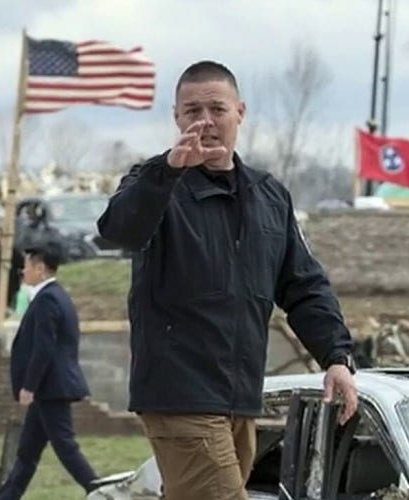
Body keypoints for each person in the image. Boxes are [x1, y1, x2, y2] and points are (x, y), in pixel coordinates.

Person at [96, 60, 358, 500]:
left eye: (217, 109)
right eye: (192, 111)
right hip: (179, 394)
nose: (205, 121)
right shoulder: (154, 183)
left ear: (240, 112)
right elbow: (117, 230)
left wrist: (336, 355)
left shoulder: (269, 196)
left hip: (239, 398)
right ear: (176, 118)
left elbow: (304, 285)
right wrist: (168, 170)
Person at [0, 242, 98, 500]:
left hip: (51, 387)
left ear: (40, 269)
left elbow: (44, 348)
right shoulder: (54, 295)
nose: (23, 271)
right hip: (48, 387)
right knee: (27, 450)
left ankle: (101, 491)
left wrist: (29, 386)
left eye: (26, 266)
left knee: (65, 446)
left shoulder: (47, 299)